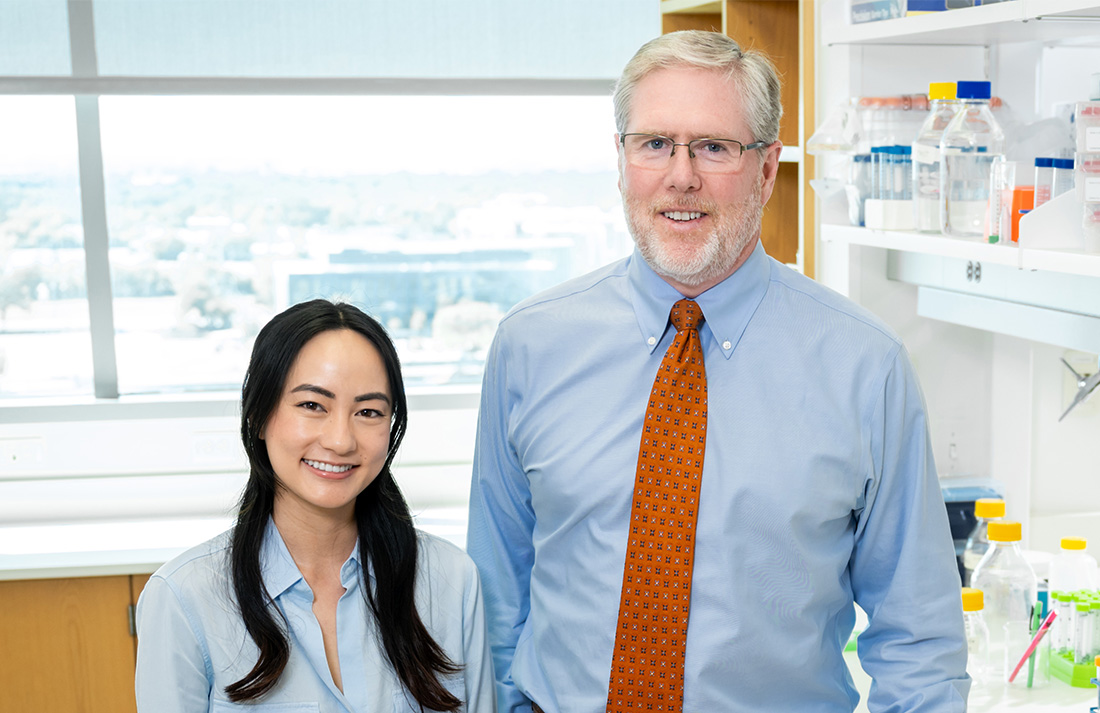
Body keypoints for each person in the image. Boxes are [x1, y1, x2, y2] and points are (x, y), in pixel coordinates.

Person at [466, 30, 968, 713]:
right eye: (654, 144)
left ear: (767, 170)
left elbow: (919, 639)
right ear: (621, 162)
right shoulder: (529, 345)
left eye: (713, 146)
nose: (681, 176)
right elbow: (497, 599)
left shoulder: (866, 368)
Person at [136, 299, 495, 712]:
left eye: (369, 411)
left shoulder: (451, 581)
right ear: (258, 414)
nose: (341, 440)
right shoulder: (183, 599)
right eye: (312, 405)